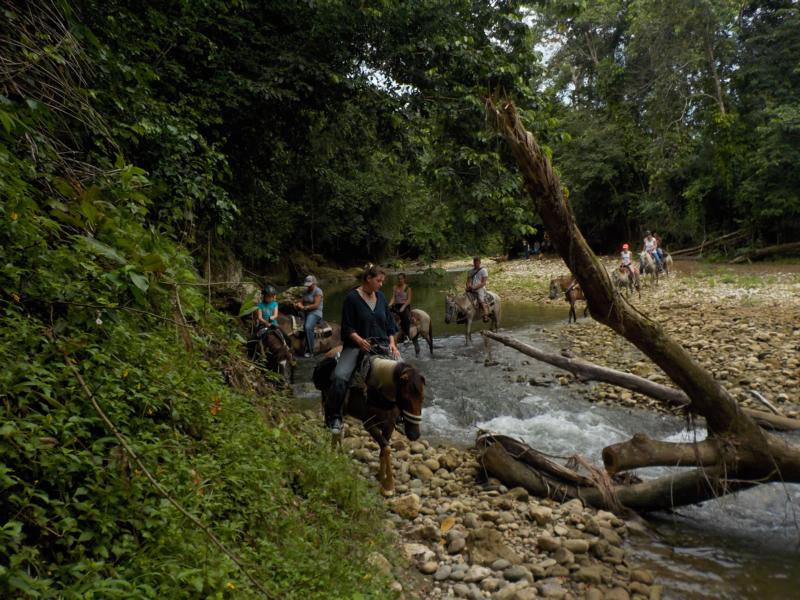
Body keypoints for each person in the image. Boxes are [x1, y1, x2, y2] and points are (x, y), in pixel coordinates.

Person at [326, 264, 400, 433]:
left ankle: (400, 414)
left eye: (382, 281)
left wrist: (392, 344)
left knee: (403, 374)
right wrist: (359, 340)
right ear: (368, 278)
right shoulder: (351, 298)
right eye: (379, 281)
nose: (381, 284)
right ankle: (335, 416)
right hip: (355, 346)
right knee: (340, 376)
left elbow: (390, 324)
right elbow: (347, 327)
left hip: (382, 345)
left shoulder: (381, 297)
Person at [294, 275, 323, 358]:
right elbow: (301, 301)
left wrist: (304, 307)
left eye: (310, 285)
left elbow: (316, 305)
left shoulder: (318, 291)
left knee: (307, 327)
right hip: (306, 313)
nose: (308, 286)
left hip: (315, 312)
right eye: (307, 285)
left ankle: (310, 351)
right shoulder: (305, 291)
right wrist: (298, 305)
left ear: (314, 283)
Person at [465, 256, 489, 322]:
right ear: (473, 263)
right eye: (475, 262)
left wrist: (475, 287)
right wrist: (468, 286)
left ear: (480, 262)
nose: (476, 264)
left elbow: (484, 283)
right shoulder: (470, 271)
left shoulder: (484, 270)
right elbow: (468, 281)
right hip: (471, 288)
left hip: (480, 288)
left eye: (477, 262)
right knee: (464, 297)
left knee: (481, 300)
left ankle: (485, 314)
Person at [391, 273, 413, 339]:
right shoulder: (395, 287)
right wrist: (389, 304)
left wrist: (403, 307)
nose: (400, 280)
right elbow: (393, 298)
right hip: (397, 305)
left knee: (405, 318)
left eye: (401, 279)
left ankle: (407, 335)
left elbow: (409, 300)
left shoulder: (407, 288)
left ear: (404, 279)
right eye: (398, 279)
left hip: (405, 305)